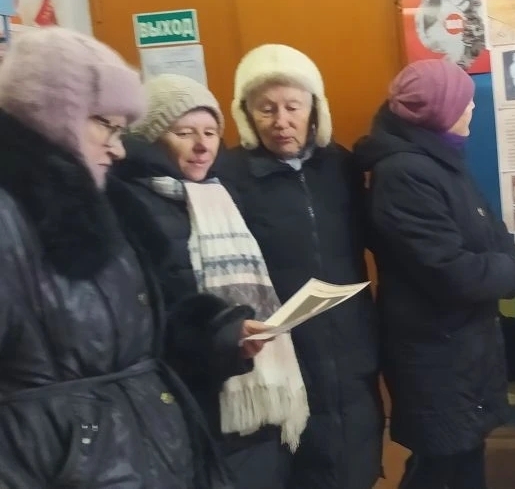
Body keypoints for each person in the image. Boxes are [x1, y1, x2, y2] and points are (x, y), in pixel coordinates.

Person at [0, 27, 230, 487]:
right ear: (52, 114)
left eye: (122, 130)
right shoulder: (9, 218)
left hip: (136, 457)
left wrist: (217, 335)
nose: (118, 147)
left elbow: (136, 337)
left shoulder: (106, 204)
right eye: (106, 124)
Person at [106, 74, 311, 488]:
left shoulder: (221, 195)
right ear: (150, 139)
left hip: (251, 394)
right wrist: (223, 334)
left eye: (211, 132)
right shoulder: (128, 205)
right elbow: (148, 315)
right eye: (184, 133)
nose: (202, 146)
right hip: (191, 402)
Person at [216, 44, 383, 489]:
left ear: (314, 109)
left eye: (293, 106)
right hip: (278, 348)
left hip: (351, 340)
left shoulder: (340, 165)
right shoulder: (227, 175)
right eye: (266, 108)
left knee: (356, 457)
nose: (281, 120)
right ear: (246, 114)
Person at [353, 59, 515, 489]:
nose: (472, 109)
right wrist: (510, 271)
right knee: (440, 465)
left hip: (461, 348)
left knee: (463, 458)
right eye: (464, 102)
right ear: (438, 110)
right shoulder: (405, 173)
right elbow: (451, 272)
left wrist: (507, 264)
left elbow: (492, 233)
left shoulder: (442, 158)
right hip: (436, 353)